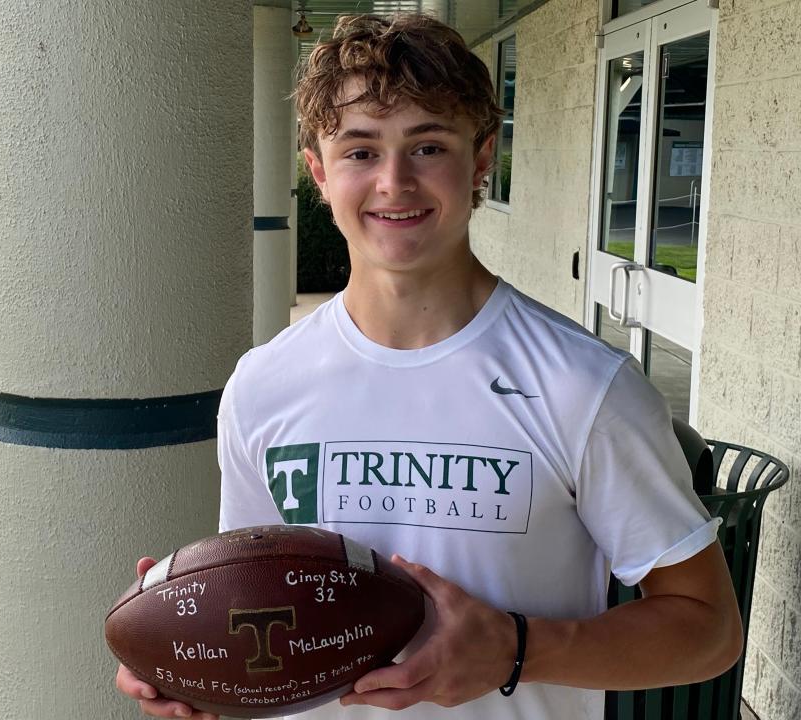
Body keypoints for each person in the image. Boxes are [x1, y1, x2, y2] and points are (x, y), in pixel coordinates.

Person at [117, 13, 742, 720]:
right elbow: (264, 615)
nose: (393, 182)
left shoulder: (584, 386)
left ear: (481, 160)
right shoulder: (265, 385)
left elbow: (709, 629)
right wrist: (200, 678)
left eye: (428, 146)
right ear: (318, 172)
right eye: (359, 151)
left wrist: (515, 649)